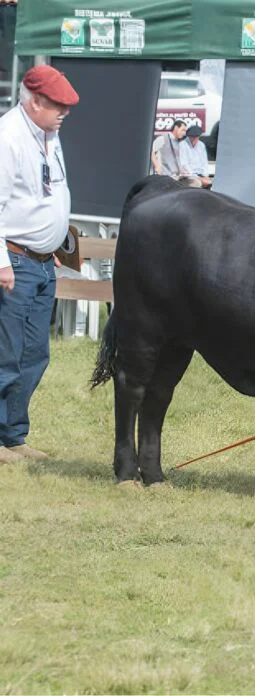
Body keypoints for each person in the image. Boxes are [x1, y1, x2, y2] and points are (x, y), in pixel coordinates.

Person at [0, 65, 79, 463]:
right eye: (58, 106)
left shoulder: (50, 134)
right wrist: (2, 264)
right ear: (33, 102)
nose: (64, 112)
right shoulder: (7, 137)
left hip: (44, 263)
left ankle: (13, 438)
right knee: (6, 353)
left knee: (34, 354)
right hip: (15, 261)